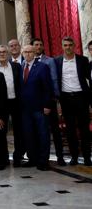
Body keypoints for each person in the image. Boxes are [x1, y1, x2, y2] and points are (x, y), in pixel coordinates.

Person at [54, 37, 91, 166]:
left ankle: (87, 157)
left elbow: (89, 79)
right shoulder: (57, 61)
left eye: (70, 45)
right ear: (62, 46)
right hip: (66, 99)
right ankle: (74, 157)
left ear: (74, 46)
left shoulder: (83, 60)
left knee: (84, 129)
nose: (68, 47)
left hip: (81, 98)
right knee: (70, 130)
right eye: (65, 45)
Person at [31, 37, 65, 166]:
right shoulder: (27, 61)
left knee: (55, 130)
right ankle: (41, 156)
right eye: (36, 44)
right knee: (41, 131)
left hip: (50, 100)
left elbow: (54, 80)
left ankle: (60, 156)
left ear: (43, 47)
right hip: (36, 103)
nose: (38, 47)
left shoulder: (50, 61)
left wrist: (56, 99)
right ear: (32, 47)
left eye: (40, 44)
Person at [19, 45, 52, 171]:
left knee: (43, 134)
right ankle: (32, 159)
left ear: (34, 53)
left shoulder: (42, 67)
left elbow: (47, 88)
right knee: (29, 135)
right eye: (25, 52)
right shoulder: (21, 66)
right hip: (25, 109)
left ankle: (43, 161)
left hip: (40, 107)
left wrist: (47, 105)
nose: (27, 54)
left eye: (29, 52)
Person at [0, 45, 24, 167]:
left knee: (19, 131)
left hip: (15, 102)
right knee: (0, 132)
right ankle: (2, 159)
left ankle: (17, 157)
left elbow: (21, 85)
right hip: (1, 105)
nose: (2, 54)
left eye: (4, 52)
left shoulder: (16, 66)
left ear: (8, 53)